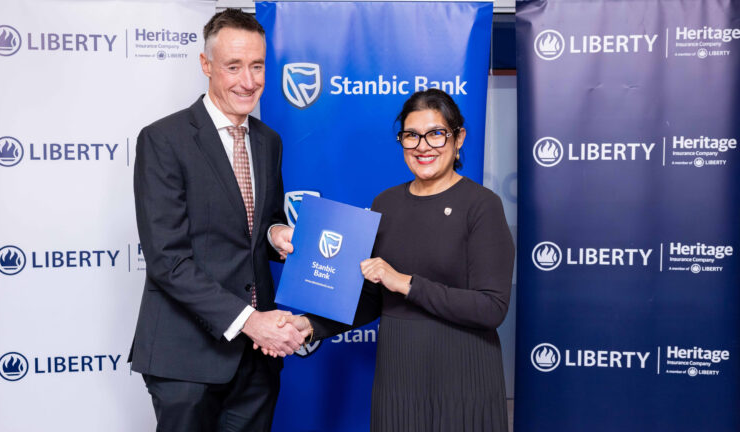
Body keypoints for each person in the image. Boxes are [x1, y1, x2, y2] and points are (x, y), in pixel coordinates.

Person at [273, 89, 515, 431]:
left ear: (458, 138)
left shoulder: (481, 205)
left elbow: (492, 307)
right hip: (399, 375)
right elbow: (370, 298)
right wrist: (312, 326)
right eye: (411, 135)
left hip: (464, 374)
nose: (423, 145)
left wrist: (405, 283)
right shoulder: (386, 203)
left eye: (436, 134)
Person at [129, 9, 303, 432]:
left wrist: (276, 233)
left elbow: (255, 229)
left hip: (256, 363)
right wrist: (251, 322)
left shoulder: (267, 141)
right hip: (186, 358)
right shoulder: (163, 140)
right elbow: (168, 261)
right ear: (206, 65)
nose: (249, 81)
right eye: (234, 66)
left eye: (258, 66)